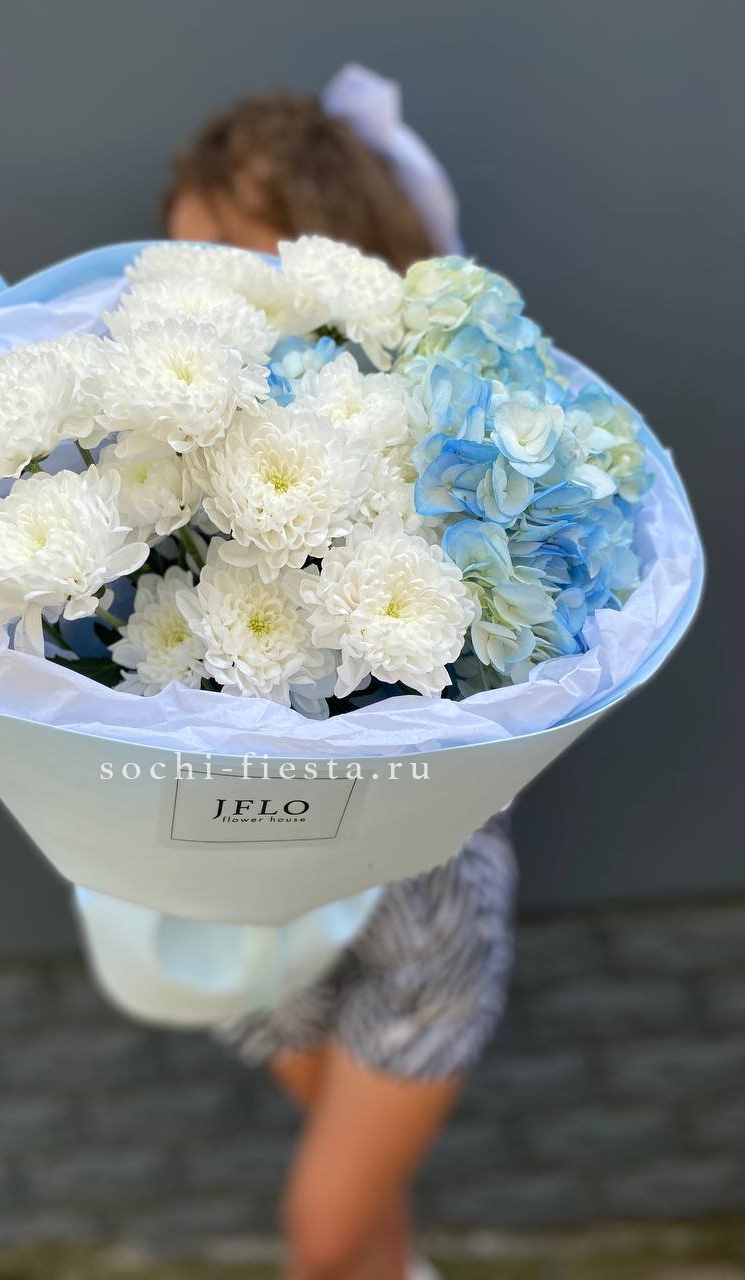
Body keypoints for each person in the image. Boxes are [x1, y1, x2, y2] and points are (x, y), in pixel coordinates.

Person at [164, 67, 516, 1280]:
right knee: (362, 1224)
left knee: (321, 1236)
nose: (206, 286)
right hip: (256, 904)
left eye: (234, 250)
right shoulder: (165, 438)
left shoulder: (441, 421)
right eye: (184, 254)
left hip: (420, 909)